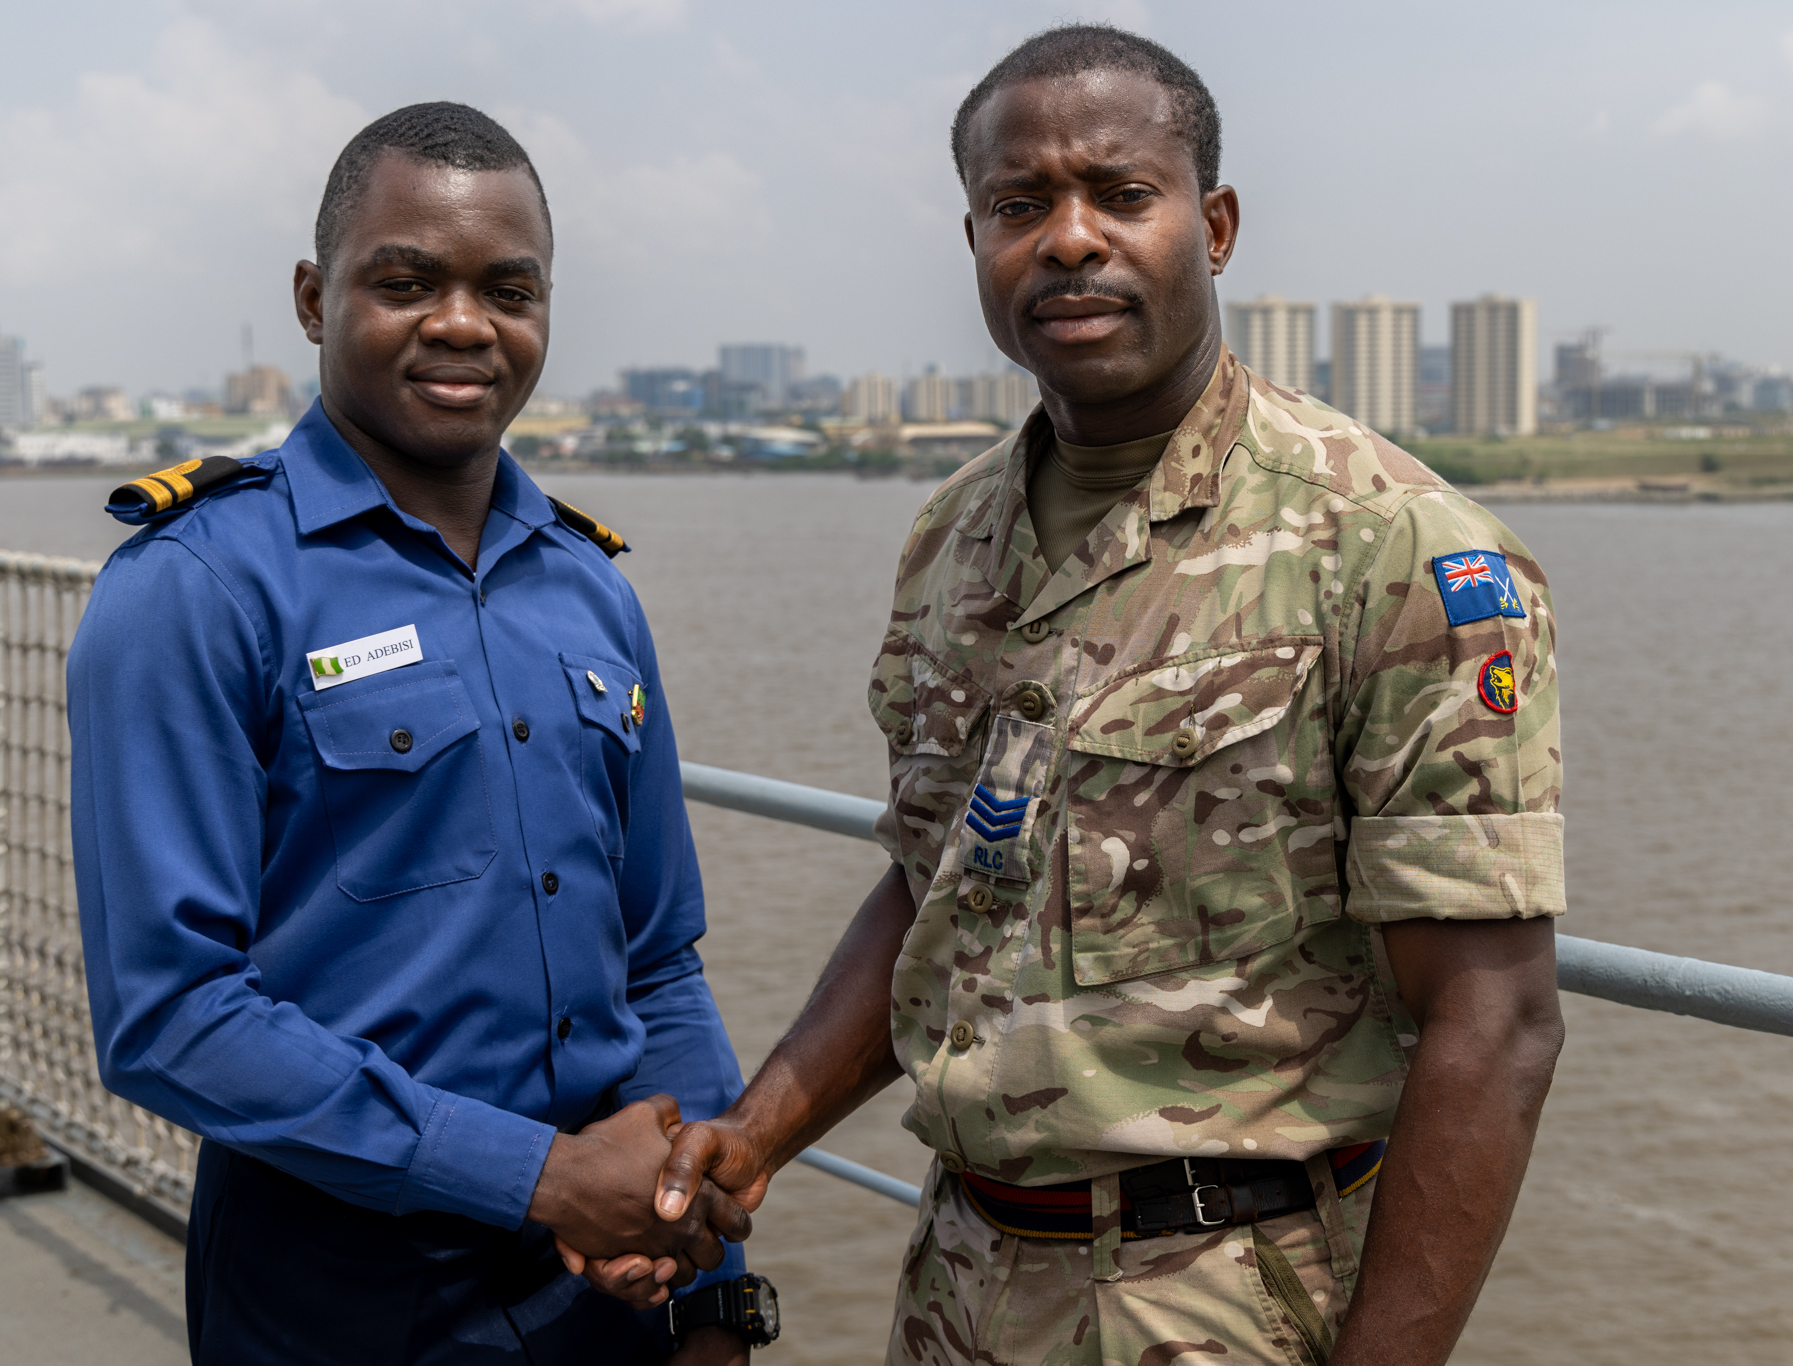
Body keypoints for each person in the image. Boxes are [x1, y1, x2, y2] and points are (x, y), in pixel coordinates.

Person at [643, 26, 1567, 1366]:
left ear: (1217, 223)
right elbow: (935, 880)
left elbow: (1495, 1020)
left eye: (1121, 194)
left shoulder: (1390, 546)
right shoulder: (951, 538)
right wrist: (759, 1129)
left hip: (1225, 1294)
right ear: (976, 241)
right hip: (961, 1271)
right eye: (1021, 206)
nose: (1070, 240)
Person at [68, 103, 763, 1365]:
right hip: (338, 1290)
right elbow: (169, 1013)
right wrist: (538, 1176)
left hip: (607, 1284)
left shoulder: (588, 586)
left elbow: (657, 961)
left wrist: (697, 1251)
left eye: (507, 287)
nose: (460, 323)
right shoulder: (197, 587)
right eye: (404, 280)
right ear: (309, 296)